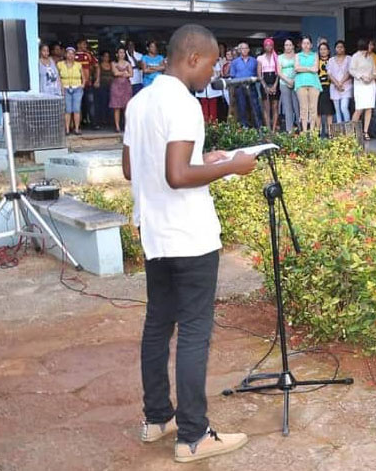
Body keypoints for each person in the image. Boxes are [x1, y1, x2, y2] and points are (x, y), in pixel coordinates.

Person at [122, 24, 254, 464]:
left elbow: (131, 167)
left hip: (156, 234)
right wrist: (232, 166)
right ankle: (194, 435)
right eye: (213, 63)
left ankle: (158, 418)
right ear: (193, 58)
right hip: (189, 236)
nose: (214, 71)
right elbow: (177, 176)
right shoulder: (183, 103)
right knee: (196, 332)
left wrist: (204, 160)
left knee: (158, 325)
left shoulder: (140, 102)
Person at [229, 42, 263, 129]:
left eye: (246, 48)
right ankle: (244, 127)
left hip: (251, 86)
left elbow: (257, 74)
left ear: (248, 50)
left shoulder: (254, 61)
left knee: (255, 107)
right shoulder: (234, 62)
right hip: (239, 87)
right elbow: (232, 76)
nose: (244, 50)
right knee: (242, 107)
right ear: (240, 50)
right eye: (242, 48)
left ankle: (259, 127)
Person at [294, 36, 322, 135]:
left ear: (311, 45)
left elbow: (315, 69)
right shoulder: (297, 56)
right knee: (303, 108)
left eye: (308, 43)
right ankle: (304, 131)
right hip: (300, 83)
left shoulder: (315, 55)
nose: (306, 45)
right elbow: (296, 68)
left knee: (313, 108)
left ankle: (312, 131)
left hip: (314, 83)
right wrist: (309, 68)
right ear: (301, 45)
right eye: (304, 43)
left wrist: (304, 68)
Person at [58, 47, 84, 135]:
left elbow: (83, 76)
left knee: (76, 109)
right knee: (67, 110)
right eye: (68, 53)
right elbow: (57, 77)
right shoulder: (60, 64)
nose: (70, 55)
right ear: (65, 54)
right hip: (65, 88)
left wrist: (82, 84)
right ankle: (67, 129)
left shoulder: (78, 65)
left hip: (77, 88)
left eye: (72, 53)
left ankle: (76, 129)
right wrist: (60, 87)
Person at [256, 38, 280, 130]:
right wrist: (264, 86)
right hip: (264, 81)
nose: (268, 47)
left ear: (273, 46)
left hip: (275, 81)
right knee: (266, 107)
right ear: (264, 46)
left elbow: (278, 72)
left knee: (275, 106)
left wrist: (275, 85)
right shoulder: (260, 58)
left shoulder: (277, 57)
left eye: (270, 45)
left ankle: (273, 129)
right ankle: (268, 129)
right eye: (266, 45)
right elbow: (259, 73)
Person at [277, 39, 300, 133]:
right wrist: (288, 81)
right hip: (284, 83)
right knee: (287, 107)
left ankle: (300, 128)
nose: (288, 47)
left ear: (293, 46)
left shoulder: (297, 56)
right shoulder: (280, 57)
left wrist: (293, 81)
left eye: (290, 45)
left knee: (297, 106)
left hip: (296, 82)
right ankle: (289, 130)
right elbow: (279, 71)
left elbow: (298, 69)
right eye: (286, 45)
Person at [109, 48, 133, 133]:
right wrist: (125, 73)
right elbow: (115, 73)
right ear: (117, 54)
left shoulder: (128, 63)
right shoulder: (113, 63)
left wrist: (121, 73)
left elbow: (131, 74)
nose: (122, 54)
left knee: (126, 107)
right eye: (120, 52)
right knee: (117, 107)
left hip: (126, 86)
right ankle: (117, 126)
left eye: (123, 52)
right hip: (116, 86)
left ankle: (127, 126)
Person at [75, 38, 97, 128]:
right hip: (76, 84)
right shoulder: (73, 55)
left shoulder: (89, 54)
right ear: (78, 45)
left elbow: (96, 66)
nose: (85, 46)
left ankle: (93, 123)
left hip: (88, 83)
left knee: (90, 103)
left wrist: (97, 79)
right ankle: (78, 124)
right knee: (78, 104)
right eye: (83, 44)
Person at [328, 40, 352, 124]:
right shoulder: (331, 60)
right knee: (337, 110)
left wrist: (341, 82)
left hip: (346, 87)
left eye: (341, 47)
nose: (339, 49)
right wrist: (337, 84)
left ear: (344, 48)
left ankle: (348, 129)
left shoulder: (349, 58)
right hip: (334, 87)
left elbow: (349, 72)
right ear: (335, 48)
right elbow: (329, 74)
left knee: (344, 107)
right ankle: (339, 133)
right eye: (338, 47)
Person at [316, 42, 335, 136]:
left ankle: (329, 132)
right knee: (318, 111)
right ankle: (318, 132)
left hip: (330, 87)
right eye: (321, 49)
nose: (323, 51)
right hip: (318, 87)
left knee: (329, 111)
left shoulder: (332, 61)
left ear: (328, 51)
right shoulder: (316, 62)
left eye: (325, 49)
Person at [96, 50, 114, 127]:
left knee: (111, 103)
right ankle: (102, 120)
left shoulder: (111, 64)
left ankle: (109, 120)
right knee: (102, 103)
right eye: (105, 56)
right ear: (102, 57)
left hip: (111, 86)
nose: (106, 58)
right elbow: (98, 76)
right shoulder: (99, 65)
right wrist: (97, 81)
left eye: (108, 56)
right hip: (102, 86)